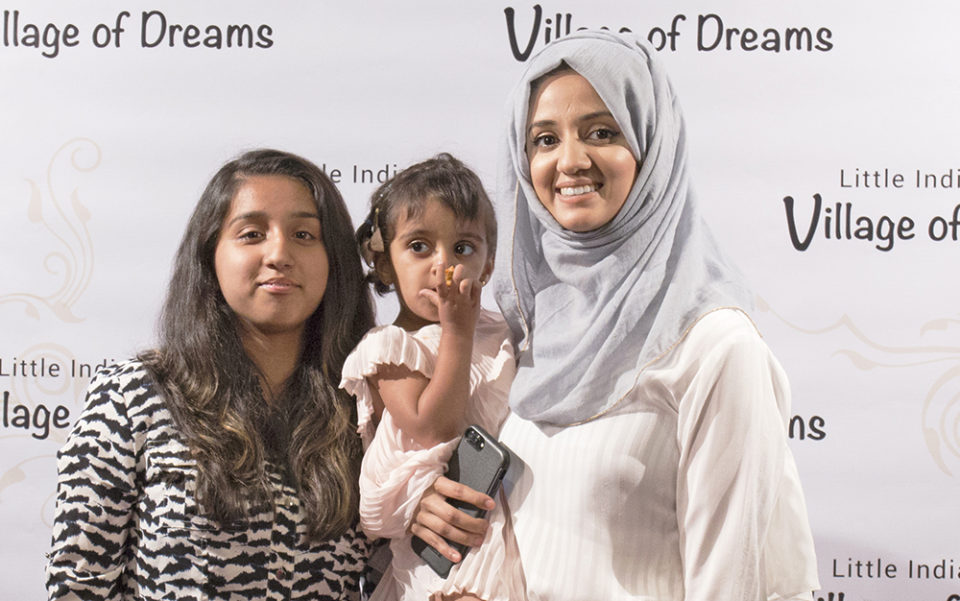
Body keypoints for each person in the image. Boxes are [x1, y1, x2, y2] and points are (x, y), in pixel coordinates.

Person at [409, 31, 821, 600]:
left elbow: (738, 585)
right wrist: (436, 507)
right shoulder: (530, 334)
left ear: (653, 147)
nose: (569, 161)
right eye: (544, 139)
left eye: (602, 132)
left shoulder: (717, 350)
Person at [46, 149, 375, 601]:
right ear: (210, 254)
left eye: (303, 234)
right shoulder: (133, 395)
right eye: (251, 233)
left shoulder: (366, 408)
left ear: (334, 259)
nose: (278, 253)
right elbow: (76, 587)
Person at [340, 153, 525, 601]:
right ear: (386, 264)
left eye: (463, 248)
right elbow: (432, 426)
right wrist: (456, 333)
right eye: (419, 246)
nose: (442, 264)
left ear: (487, 264)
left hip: (513, 534)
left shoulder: (504, 333)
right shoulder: (390, 349)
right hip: (438, 559)